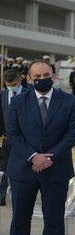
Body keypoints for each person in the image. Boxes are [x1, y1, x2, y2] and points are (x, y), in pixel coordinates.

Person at [5, 59, 75, 235]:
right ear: (29, 79)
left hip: (55, 168)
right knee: (20, 217)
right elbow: (13, 134)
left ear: (53, 76)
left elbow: (72, 134)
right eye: (36, 77)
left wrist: (49, 158)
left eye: (45, 75)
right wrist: (34, 156)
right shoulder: (18, 102)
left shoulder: (70, 101)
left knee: (54, 217)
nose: (41, 79)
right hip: (23, 168)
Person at [0, 69, 29, 206]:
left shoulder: (29, 94)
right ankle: (1, 195)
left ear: (20, 80)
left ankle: (22, 196)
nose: (11, 87)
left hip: (25, 139)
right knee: (3, 167)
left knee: (23, 168)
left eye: (13, 84)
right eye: (8, 84)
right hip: (6, 139)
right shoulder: (3, 95)